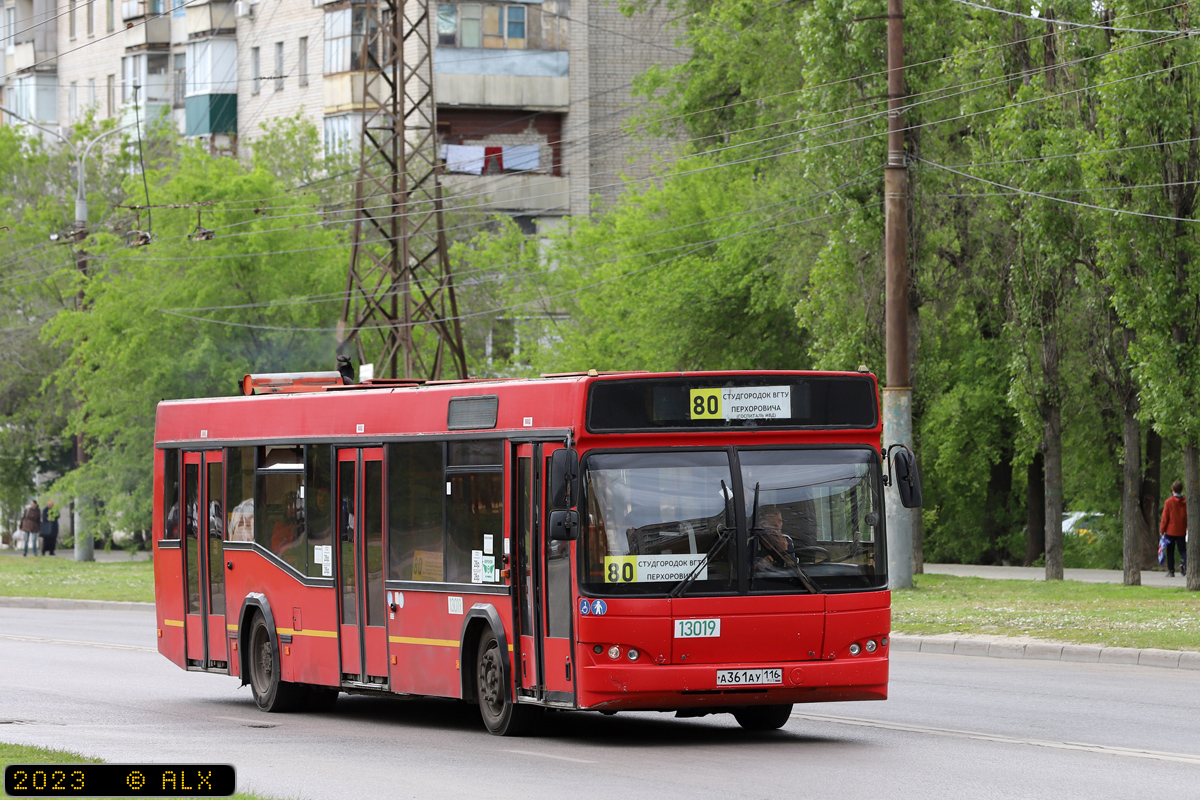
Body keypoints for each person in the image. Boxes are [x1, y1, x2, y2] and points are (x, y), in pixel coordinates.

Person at [1160, 480, 1187, 577]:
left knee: (1170, 551)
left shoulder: (1169, 502)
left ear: (1172, 490)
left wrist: (1162, 530)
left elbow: (1165, 518)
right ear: (1182, 490)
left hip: (1170, 530)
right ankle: (1188, 564)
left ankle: (1171, 571)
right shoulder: (1186, 502)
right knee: (1182, 550)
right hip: (1181, 530)